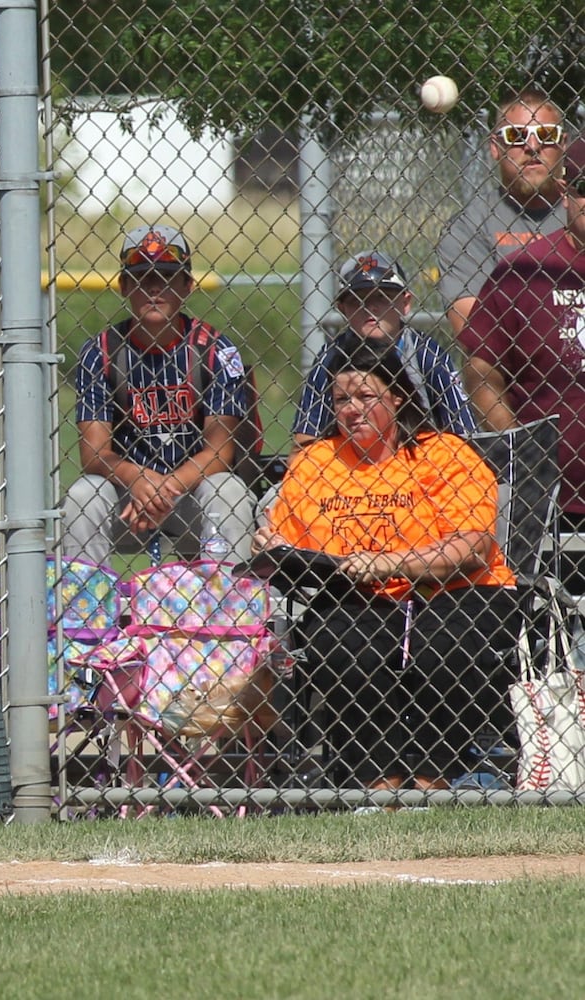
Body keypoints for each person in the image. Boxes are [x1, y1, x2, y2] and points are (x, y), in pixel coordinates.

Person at [256, 340, 518, 792]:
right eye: (341, 400)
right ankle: (376, 783)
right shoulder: (314, 462)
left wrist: (387, 563)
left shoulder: (444, 453)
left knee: (444, 648)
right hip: (355, 594)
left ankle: (436, 777)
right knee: (342, 646)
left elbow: (471, 548)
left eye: (365, 397)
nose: (352, 410)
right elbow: (287, 544)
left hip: (458, 589)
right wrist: (273, 544)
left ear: (397, 396)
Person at [61, 224, 255, 564]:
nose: (154, 288)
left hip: (194, 494)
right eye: (141, 277)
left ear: (187, 286)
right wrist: (136, 479)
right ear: (123, 286)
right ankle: (88, 609)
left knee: (229, 491)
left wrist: (163, 490)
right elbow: (94, 454)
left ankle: (227, 610)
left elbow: (220, 452)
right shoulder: (102, 351)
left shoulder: (214, 349)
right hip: (127, 497)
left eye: (166, 276)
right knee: (83, 495)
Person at [458, 139, 585, 531]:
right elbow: (481, 370)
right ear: (566, 192)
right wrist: (519, 448)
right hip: (554, 502)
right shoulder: (524, 271)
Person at [291, 250, 478, 449]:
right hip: (349, 467)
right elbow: (306, 439)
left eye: (382, 297)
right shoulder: (331, 357)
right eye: (357, 300)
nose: (370, 307)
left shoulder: (425, 353)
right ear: (342, 309)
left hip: (419, 462)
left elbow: (463, 432)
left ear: (405, 303)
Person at [436, 89, 569, 339]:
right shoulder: (469, 227)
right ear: (495, 147)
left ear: (563, 144)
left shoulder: (579, 215)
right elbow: (476, 334)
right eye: (516, 136)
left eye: (546, 134)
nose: (532, 146)